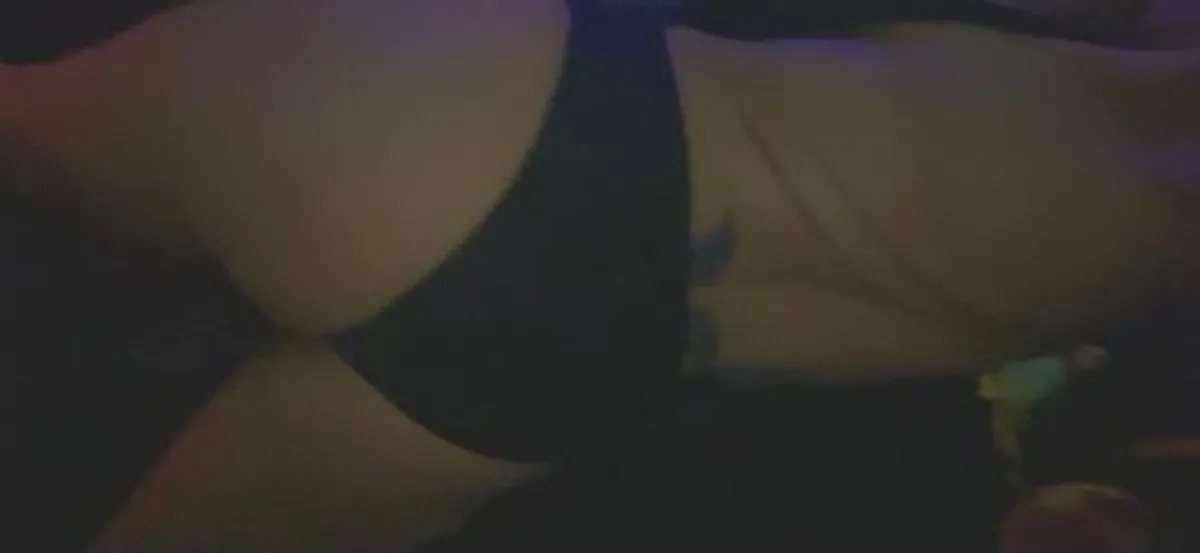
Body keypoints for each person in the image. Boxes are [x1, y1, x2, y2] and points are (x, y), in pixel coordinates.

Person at [1, 0, 1196, 550]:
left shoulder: (1135, 47)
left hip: (505, 119)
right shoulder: (1159, 281)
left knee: (29, 126)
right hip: (562, 370)